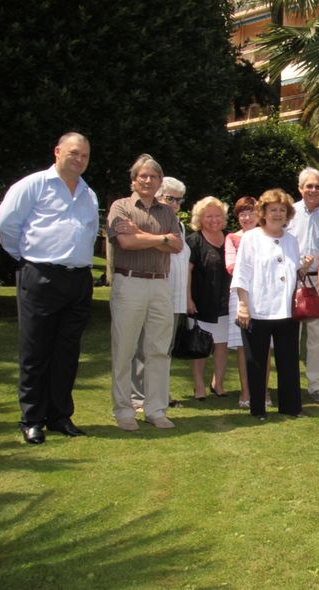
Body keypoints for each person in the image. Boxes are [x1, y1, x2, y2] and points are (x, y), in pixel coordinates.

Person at [0, 132, 98, 444]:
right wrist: (27, 259)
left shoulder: (88, 194)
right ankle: (31, 419)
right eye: (74, 153)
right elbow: (6, 226)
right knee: (35, 351)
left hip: (78, 280)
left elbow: (90, 232)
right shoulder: (33, 185)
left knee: (67, 352)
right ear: (57, 151)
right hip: (40, 276)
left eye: (84, 155)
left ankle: (59, 416)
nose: (79, 159)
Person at [107, 154, 183, 431]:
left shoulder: (167, 212)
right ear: (134, 180)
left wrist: (142, 235)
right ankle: (124, 411)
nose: (148, 180)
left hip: (160, 284)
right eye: (143, 176)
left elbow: (177, 246)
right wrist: (161, 239)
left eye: (153, 176)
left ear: (160, 181)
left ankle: (155, 409)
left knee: (158, 350)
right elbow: (126, 242)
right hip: (130, 283)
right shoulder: (121, 207)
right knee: (124, 349)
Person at [232, 189, 312, 420]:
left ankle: (291, 408)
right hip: (258, 310)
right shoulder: (251, 238)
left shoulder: (291, 240)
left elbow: (291, 272)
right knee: (256, 362)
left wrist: (304, 268)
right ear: (263, 213)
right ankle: (258, 409)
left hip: (286, 311)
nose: (277, 214)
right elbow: (242, 273)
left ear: (288, 214)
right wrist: (243, 305)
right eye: (273, 210)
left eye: (282, 210)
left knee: (288, 362)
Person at [131, 177, 190, 410]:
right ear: (157, 196)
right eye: (170, 198)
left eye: (179, 200)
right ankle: (138, 396)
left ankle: (159, 394)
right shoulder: (150, 222)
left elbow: (181, 257)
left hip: (175, 298)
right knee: (145, 347)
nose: (175, 204)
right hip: (153, 292)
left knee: (164, 349)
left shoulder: (180, 226)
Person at [286, 167, 319, 403]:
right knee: (290, 335)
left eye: (318, 186)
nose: (313, 190)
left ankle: (316, 387)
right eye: (309, 186)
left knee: (318, 337)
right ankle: (289, 385)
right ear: (300, 188)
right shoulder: (289, 212)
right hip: (292, 280)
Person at [187, 196, 231, 400]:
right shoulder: (193, 241)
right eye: (209, 216)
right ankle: (199, 385)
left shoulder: (230, 238)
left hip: (226, 302)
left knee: (222, 345)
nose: (214, 220)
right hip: (201, 302)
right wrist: (188, 299)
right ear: (200, 218)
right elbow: (187, 272)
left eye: (218, 215)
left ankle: (218, 383)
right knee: (200, 346)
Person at [225, 196, 266, 409]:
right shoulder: (232, 238)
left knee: (264, 346)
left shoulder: (267, 236)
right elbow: (232, 266)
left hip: (265, 294)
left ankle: (264, 391)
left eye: (251, 213)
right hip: (239, 295)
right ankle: (246, 391)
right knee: (243, 346)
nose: (247, 217)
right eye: (242, 213)